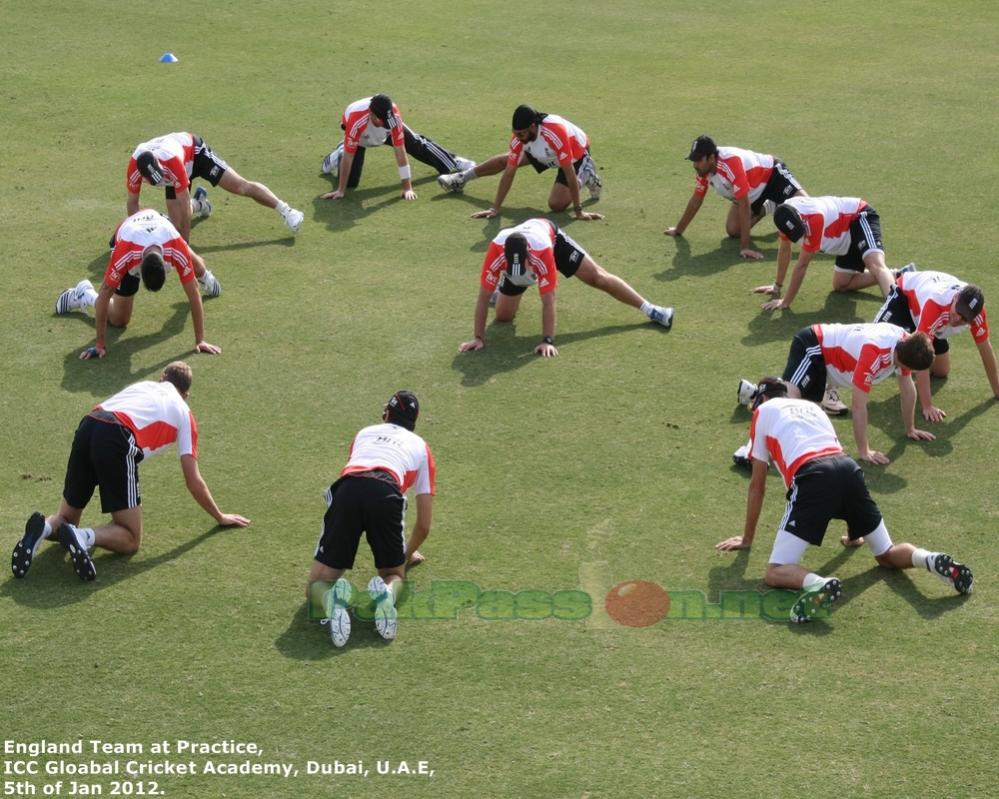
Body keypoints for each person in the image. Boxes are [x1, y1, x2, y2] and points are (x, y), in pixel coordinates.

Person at [716, 378, 973, 623]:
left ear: (762, 397)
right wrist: (853, 534)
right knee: (886, 554)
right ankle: (928, 558)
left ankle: (819, 585)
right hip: (848, 470)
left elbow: (757, 485)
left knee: (776, 571)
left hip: (811, 476)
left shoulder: (763, 413)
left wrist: (747, 538)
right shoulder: (812, 408)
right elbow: (836, 469)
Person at [10, 362, 250, 582]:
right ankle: (83, 536)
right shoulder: (185, 414)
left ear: (161, 378)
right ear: (185, 394)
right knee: (131, 537)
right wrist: (219, 516)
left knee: (66, 518)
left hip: (88, 424)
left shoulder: (144, 386)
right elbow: (193, 480)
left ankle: (43, 528)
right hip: (117, 437)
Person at [307, 391, 435, 647]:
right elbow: (423, 526)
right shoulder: (422, 448)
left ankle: (332, 604)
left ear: (386, 414)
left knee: (317, 584)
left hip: (350, 489)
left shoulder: (364, 433)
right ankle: (386, 595)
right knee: (393, 574)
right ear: (414, 422)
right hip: (386, 494)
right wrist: (405, 556)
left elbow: (358, 468)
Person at [457, 218, 673, 358]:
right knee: (503, 316)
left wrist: (547, 340)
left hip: (554, 242)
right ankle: (501, 291)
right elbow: (482, 297)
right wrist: (478, 337)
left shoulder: (541, 252)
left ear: (527, 257)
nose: (516, 269)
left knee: (597, 278)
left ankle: (651, 309)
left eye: (520, 266)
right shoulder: (496, 250)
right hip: (521, 261)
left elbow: (548, 299)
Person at [736, 323, 936, 465]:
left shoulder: (904, 343)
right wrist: (864, 451)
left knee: (804, 413)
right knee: (789, 408)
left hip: (828, 369)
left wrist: (910, 429)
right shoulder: (874, 353)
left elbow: (907, 389)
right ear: (903, 360)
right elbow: (858, 407)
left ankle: (756, 392)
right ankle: (750, 448)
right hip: (812, 346)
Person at [55, 209, 223, 360]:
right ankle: (84, 293)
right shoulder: (125, 254)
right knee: (119, 320)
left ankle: (206, 277)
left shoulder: (175, 246)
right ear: (138, 270)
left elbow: (193, 292)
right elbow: (105, 294)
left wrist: (200, 340)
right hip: (128, 232)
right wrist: (100, 345)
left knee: (197, 265)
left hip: (161, 225)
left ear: (166, 265)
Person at [438, 104, 604, 221]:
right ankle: (461, 179)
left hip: (575, 154)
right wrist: (495, 209)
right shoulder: (522, 137)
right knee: (506, 160)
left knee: (557, 205)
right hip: (545, 152)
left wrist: (578, 211)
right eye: (514, 133)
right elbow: (509, 173)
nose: (517, 138)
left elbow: (568, 172)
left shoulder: (555, 133)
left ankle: (586, 173)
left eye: (521, 134)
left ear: (532, 127)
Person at [127, 131, 303, 240]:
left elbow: (182, 199)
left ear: (159, 162)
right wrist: (135, 236)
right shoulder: (134, 168)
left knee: (241, 186)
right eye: (155, 180)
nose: (160, 180)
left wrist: (185, 246)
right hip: (178, 171)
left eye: (161, 175)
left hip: (196, 155)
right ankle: (199, 203)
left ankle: (287, 211)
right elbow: (132, 203)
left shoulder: (171, 162)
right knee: (176, 226)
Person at [873, 269, 999, 421]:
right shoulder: (936, 303)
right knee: (876, 351)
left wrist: (997, 390)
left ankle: (906, 359)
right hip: (905, 302)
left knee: (941, 370)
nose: (958, 318)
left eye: (965, 318)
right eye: (959, 311)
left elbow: (985, 350)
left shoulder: (976, 315)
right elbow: (922, 356)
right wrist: (927, 406)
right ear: (956, 297)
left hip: (931, 322)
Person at [664, 135, 807, 260]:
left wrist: (744, 247)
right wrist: (679, 230)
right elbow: (696, 200)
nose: (695, 165)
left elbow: (744, 204)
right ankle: (770, 205)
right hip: (752, 193)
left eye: (698, 160)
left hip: (773, 176)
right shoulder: (704, 170)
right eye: (693, 160)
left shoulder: (730, 163)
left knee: (807, 208)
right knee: (733, 230)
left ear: (711, 158)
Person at [319, 94, 474, 202]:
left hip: (381, 135)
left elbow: (400, 152)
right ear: (372, 114)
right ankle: (339, 151)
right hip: (360, 138)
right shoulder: (356, 120)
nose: (385, 124)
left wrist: (407, 187)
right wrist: (341, 190)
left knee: (415, 143)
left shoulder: (392, 118)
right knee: (350, 182)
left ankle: (453, 162)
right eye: (381, 121)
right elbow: (349, 157)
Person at [753, 196, 895, 311]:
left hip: (858, 217)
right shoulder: (783, 216)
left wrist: (786, 301)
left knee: (875, 265)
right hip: (843, 238)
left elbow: (801, 266)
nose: (801, 238)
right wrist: (777, 286)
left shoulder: (815, 218)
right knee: (841, 285)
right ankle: (897, 275)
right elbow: (784, 249)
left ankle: (896, 310)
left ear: (801, 218)